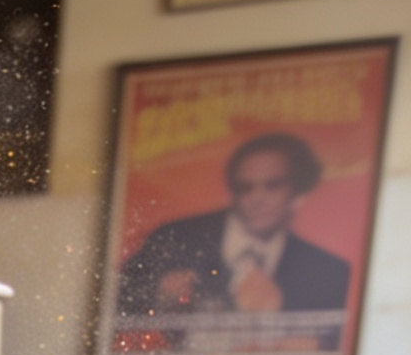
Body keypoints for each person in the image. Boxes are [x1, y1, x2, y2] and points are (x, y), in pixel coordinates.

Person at [116, 132, 353, 320]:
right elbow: (110, 306)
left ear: (297, 190)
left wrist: (283, 313)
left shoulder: (328, 270)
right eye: (244, 187)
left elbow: (329, 342)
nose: (256, 198)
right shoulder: (174, 236)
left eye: (272, 185)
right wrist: (159, 293)